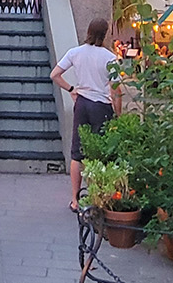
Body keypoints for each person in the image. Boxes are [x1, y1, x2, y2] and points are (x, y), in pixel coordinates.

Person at [50, 18, 120, 211]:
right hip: (101, 105)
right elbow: (116, 89)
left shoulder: (75, 52)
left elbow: (54, 74)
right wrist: (118, 112)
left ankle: (75, 199)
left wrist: (71, 88)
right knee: (100, 153)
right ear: (105, 34)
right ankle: (97, 198)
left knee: (77, 152)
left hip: (82, 103)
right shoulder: (109, 57)